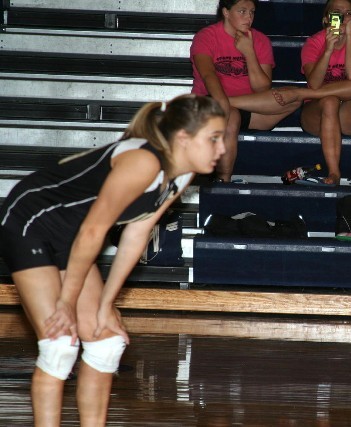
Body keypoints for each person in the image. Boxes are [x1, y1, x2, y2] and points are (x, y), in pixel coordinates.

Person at [0, 94, 226, 426]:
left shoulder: (181, 174)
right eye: (214, 138)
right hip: (30, 221)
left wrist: (107, 304)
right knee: (59, 343)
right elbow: (93, 231)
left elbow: (137, 235)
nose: (222, 149)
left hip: (74, 234)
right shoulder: (143, 162)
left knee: (106, 340)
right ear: (183, 138)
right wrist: (66, 302)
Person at [190, 0, 304, 182]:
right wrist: (221, 102)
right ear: (226, 12)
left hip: (248, 105)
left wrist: (249, 52)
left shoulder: (260, 40)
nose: (249, 17)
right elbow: (208, 75)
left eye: (252, 12)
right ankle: (223, 181)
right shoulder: (206, 36)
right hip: (209, 102)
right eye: (242, 11)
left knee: (295, 98)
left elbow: (262, 88)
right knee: (232, 116)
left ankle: (230, 104)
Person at [299, 0, 351, 185]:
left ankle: (299, 94)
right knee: (330, 101)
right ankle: (334, 172)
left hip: (349, 115)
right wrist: (328, 49)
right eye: (337, 12)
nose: (343, 17)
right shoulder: (314, 42)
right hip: (317, 115)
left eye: (349, 13)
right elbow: (314, 83)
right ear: (326, 20)